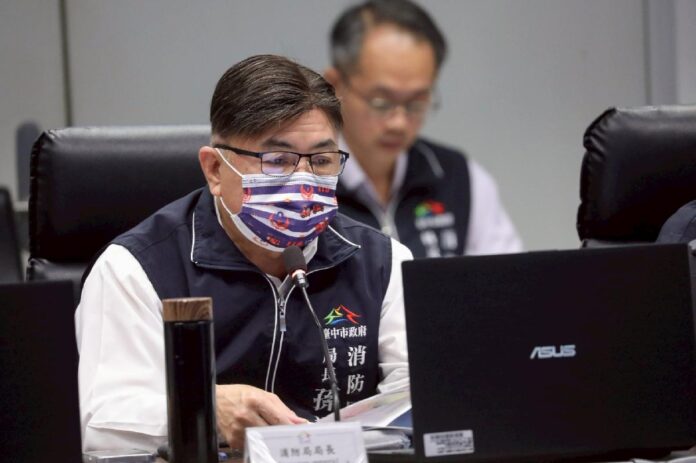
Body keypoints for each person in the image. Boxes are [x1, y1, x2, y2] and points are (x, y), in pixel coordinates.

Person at [76, 54, 411, 452]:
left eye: (321, 161)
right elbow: (101, 422)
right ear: (215, 170)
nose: (303, 182)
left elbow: (418, 395)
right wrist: (202, 409)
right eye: (277, 161)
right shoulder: (136, 268)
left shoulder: (382, 263)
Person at [324, 0, 523, 258]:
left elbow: (506, 277)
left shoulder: (459, 178)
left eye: (416, 103)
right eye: (381, 102)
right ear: (334, 85)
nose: (398, 123)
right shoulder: (305, 182)